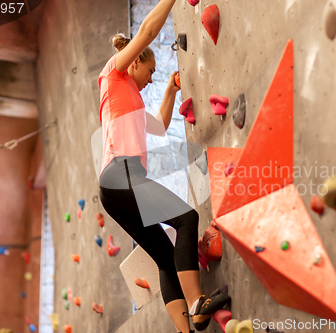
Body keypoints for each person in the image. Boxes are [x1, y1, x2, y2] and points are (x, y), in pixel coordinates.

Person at [97, 1, 230, 332]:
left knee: (166, 259)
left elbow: (159, 124)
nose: (151, 79)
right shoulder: (113, 74)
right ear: (136, 61)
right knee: (187, 218)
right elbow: (147, 31)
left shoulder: (131, 100)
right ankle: (198, 303)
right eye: (152, 72)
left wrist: (170, 89)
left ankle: (185, 330)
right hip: (121, 174)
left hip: (115, 186)